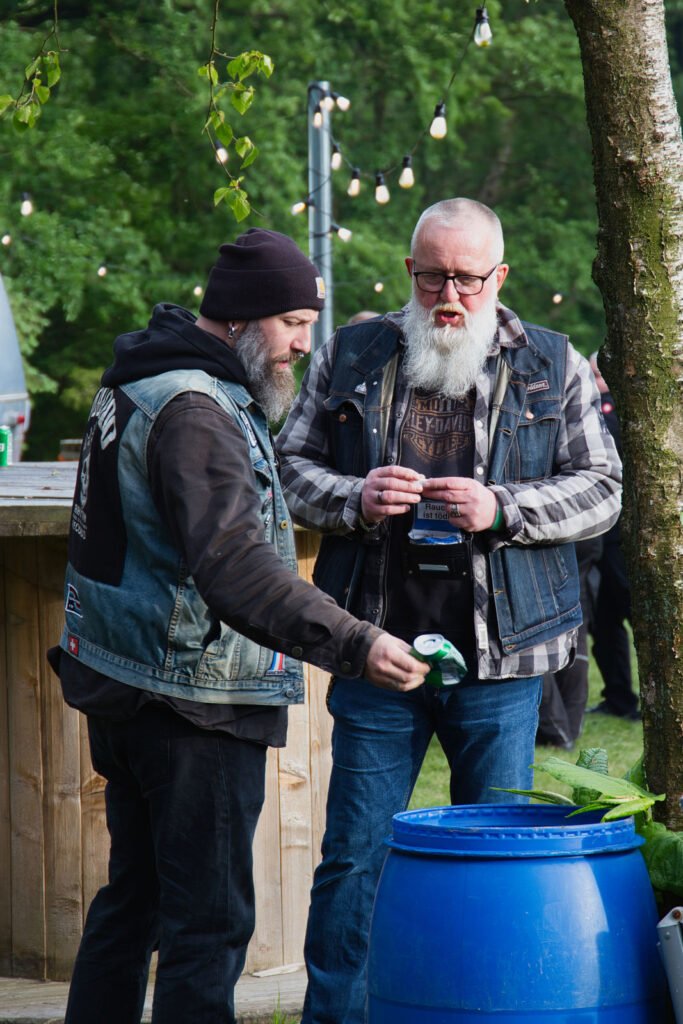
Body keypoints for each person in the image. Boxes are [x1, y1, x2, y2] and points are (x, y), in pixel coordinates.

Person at [47, 227, 428, 1024]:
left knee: (136, 903)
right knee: (208, 925)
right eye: (291, 321)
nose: (302, 342)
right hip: (190, 704)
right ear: (244, 318)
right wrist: (358, 642)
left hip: (129, 685)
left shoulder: (144, 381)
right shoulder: (194, 411)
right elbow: (237, 569)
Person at [276, 198, 623, 1024]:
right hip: (375, 646)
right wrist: (354, 494)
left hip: (502, 659)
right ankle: (339, 1020)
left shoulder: (553, 362)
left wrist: (503, 508)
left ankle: (476, 1011)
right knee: (354, 858)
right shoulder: (350, 355)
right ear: (408, 272)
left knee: (490, 859)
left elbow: (604, 489)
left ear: (499, 277)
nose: (449, 295)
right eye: (433, 275)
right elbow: (286, 468)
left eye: (468, 277)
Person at [587, 351, 640, 719]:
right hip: (601, 537)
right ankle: (619, 698)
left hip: (619, 534)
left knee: (633, 614)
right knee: (604, 624)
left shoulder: (612, 411)